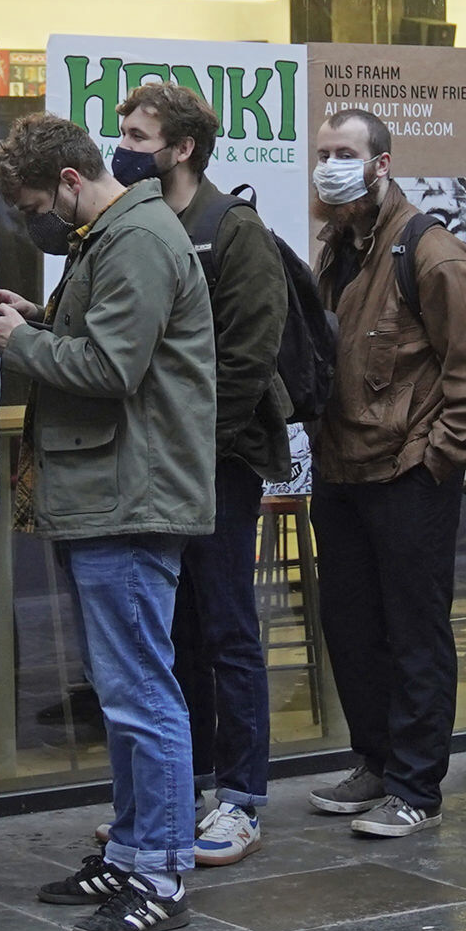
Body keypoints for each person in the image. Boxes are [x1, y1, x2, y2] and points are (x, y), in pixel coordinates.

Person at [0, 112, 218, 931]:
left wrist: (18, 343)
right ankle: (132, 848)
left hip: (131, 494)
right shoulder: (108, 237)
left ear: (72, 182)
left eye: (38, 202)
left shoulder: (137, 238)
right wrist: (38, 322)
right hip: (109, 490)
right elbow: (102, 339)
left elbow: (115, 367)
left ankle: (160, 873)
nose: (34, 220)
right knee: (123, 693)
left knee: (142, 691)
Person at [300, 107, 466, 842]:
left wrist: (437, 457)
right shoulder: (338, 249)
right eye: (323, 150)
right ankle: (376, 762)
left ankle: (418, 785)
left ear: (381, 163)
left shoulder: (431, 251)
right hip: (342, 467)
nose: (330, 162)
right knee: (352, 626)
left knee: (415, 629)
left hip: (408, 471)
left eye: (345, 151)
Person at [122, 79, 288, 869]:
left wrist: (199, 447)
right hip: (159, 461)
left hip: (216, 464)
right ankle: (178, 791)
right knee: (173, 629)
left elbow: (251, 357)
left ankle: (242, 797)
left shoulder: (234, 229)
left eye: (140, 134)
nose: (123, 146)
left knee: (226, 628)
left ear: (182, 149)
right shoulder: (142, 224)